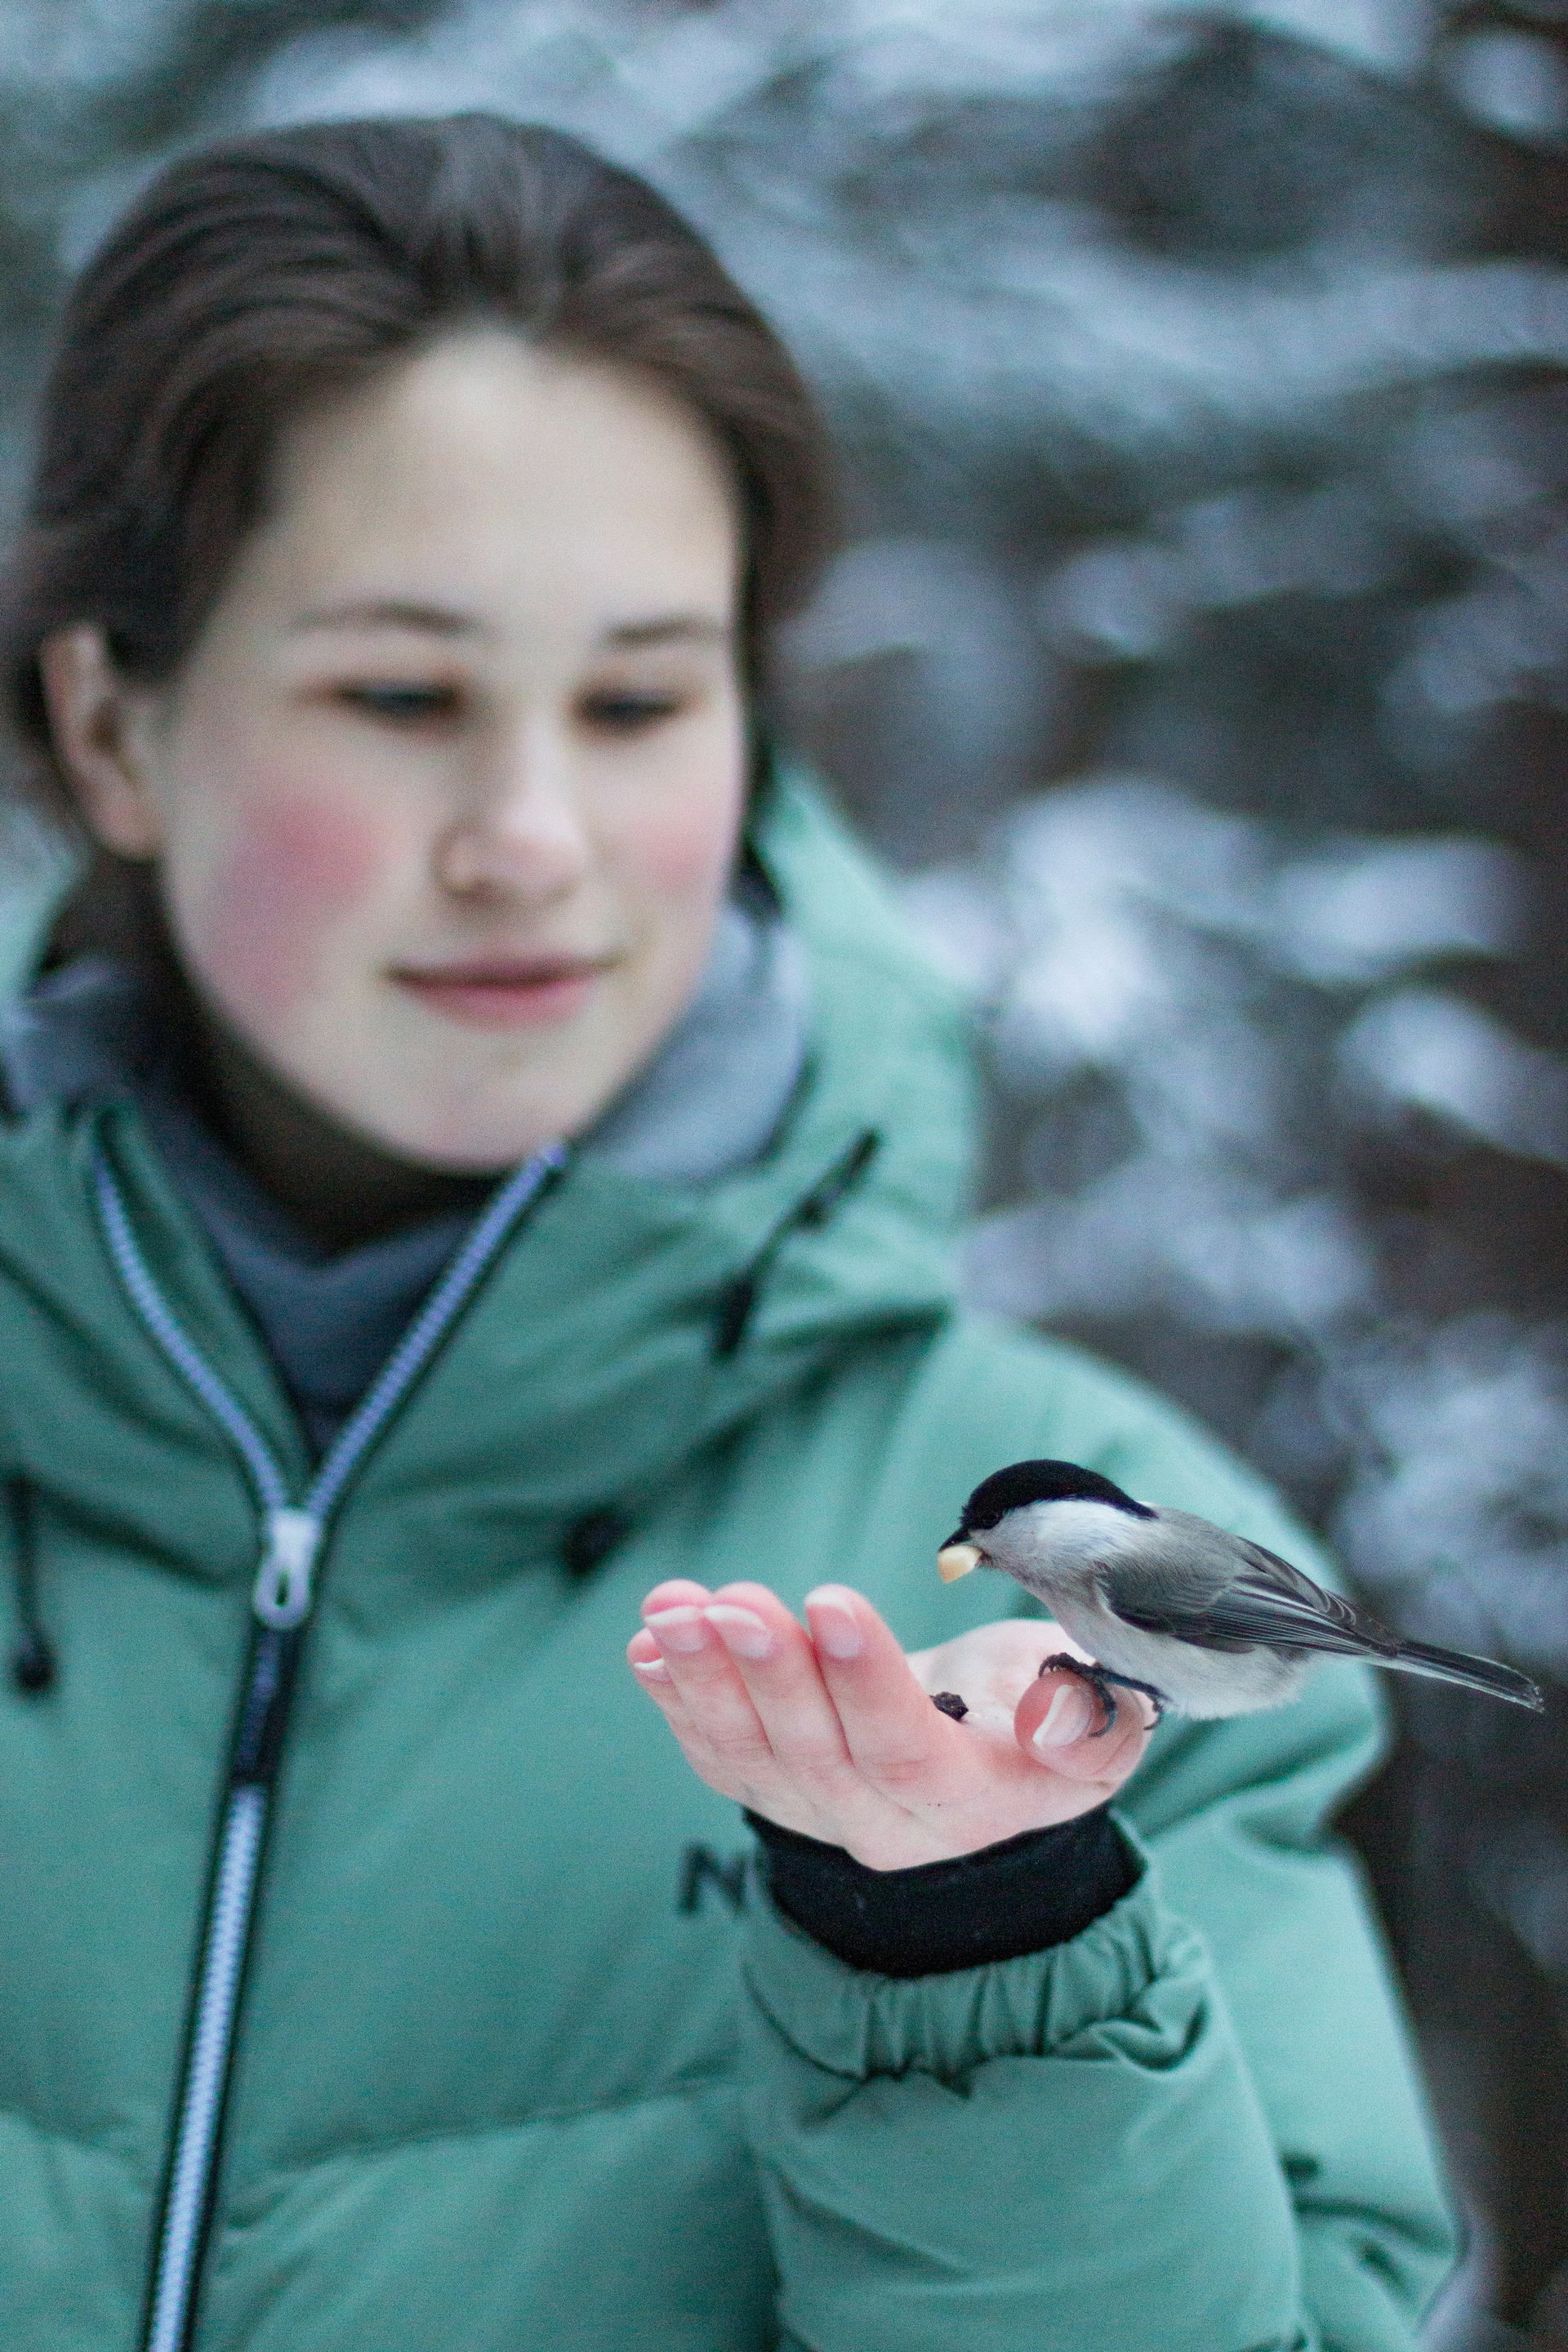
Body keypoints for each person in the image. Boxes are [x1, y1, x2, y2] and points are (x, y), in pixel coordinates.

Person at [0, 114, 1453, 2352]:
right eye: (402, 694)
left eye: (639, 698)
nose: (530, 836)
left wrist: (989, 1967)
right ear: (114, 725)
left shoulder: (1116, 1576)